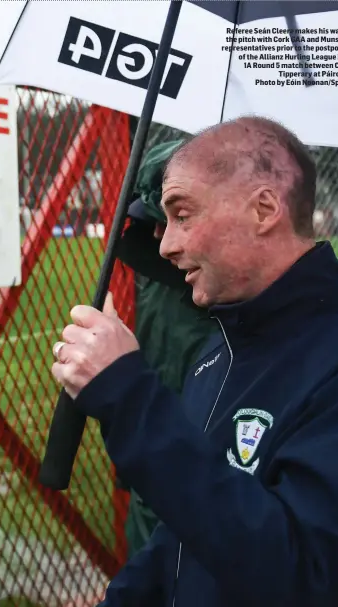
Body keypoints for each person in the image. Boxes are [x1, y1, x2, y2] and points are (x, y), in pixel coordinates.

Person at [51, 116, 338, 607]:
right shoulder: (219, 353)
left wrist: (127, 395)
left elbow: (297, 569)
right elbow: (184, 536)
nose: (166, 245)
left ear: (264, 209)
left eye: (182, 215)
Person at [116, 139, 218, 557]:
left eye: (180, 218)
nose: (163, 242)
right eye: (160, 223)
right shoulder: (158, 271)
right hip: (154, 486)